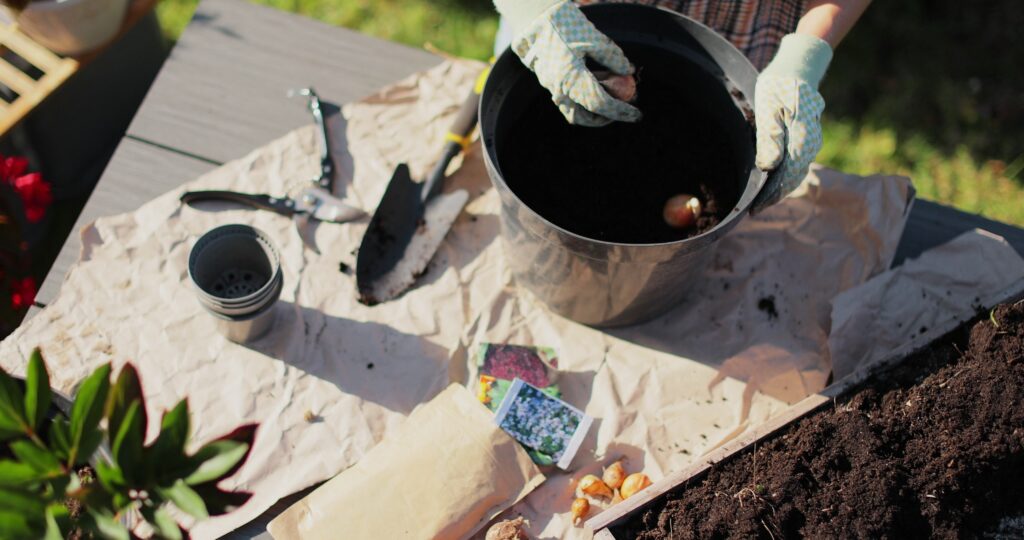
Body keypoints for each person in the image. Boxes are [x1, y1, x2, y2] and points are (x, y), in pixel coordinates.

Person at [491, 0, 872, 209]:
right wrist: (531, 9)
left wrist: (803, 56)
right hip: (567, 24)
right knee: (550, 115)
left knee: (703, 132)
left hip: (739, 24)